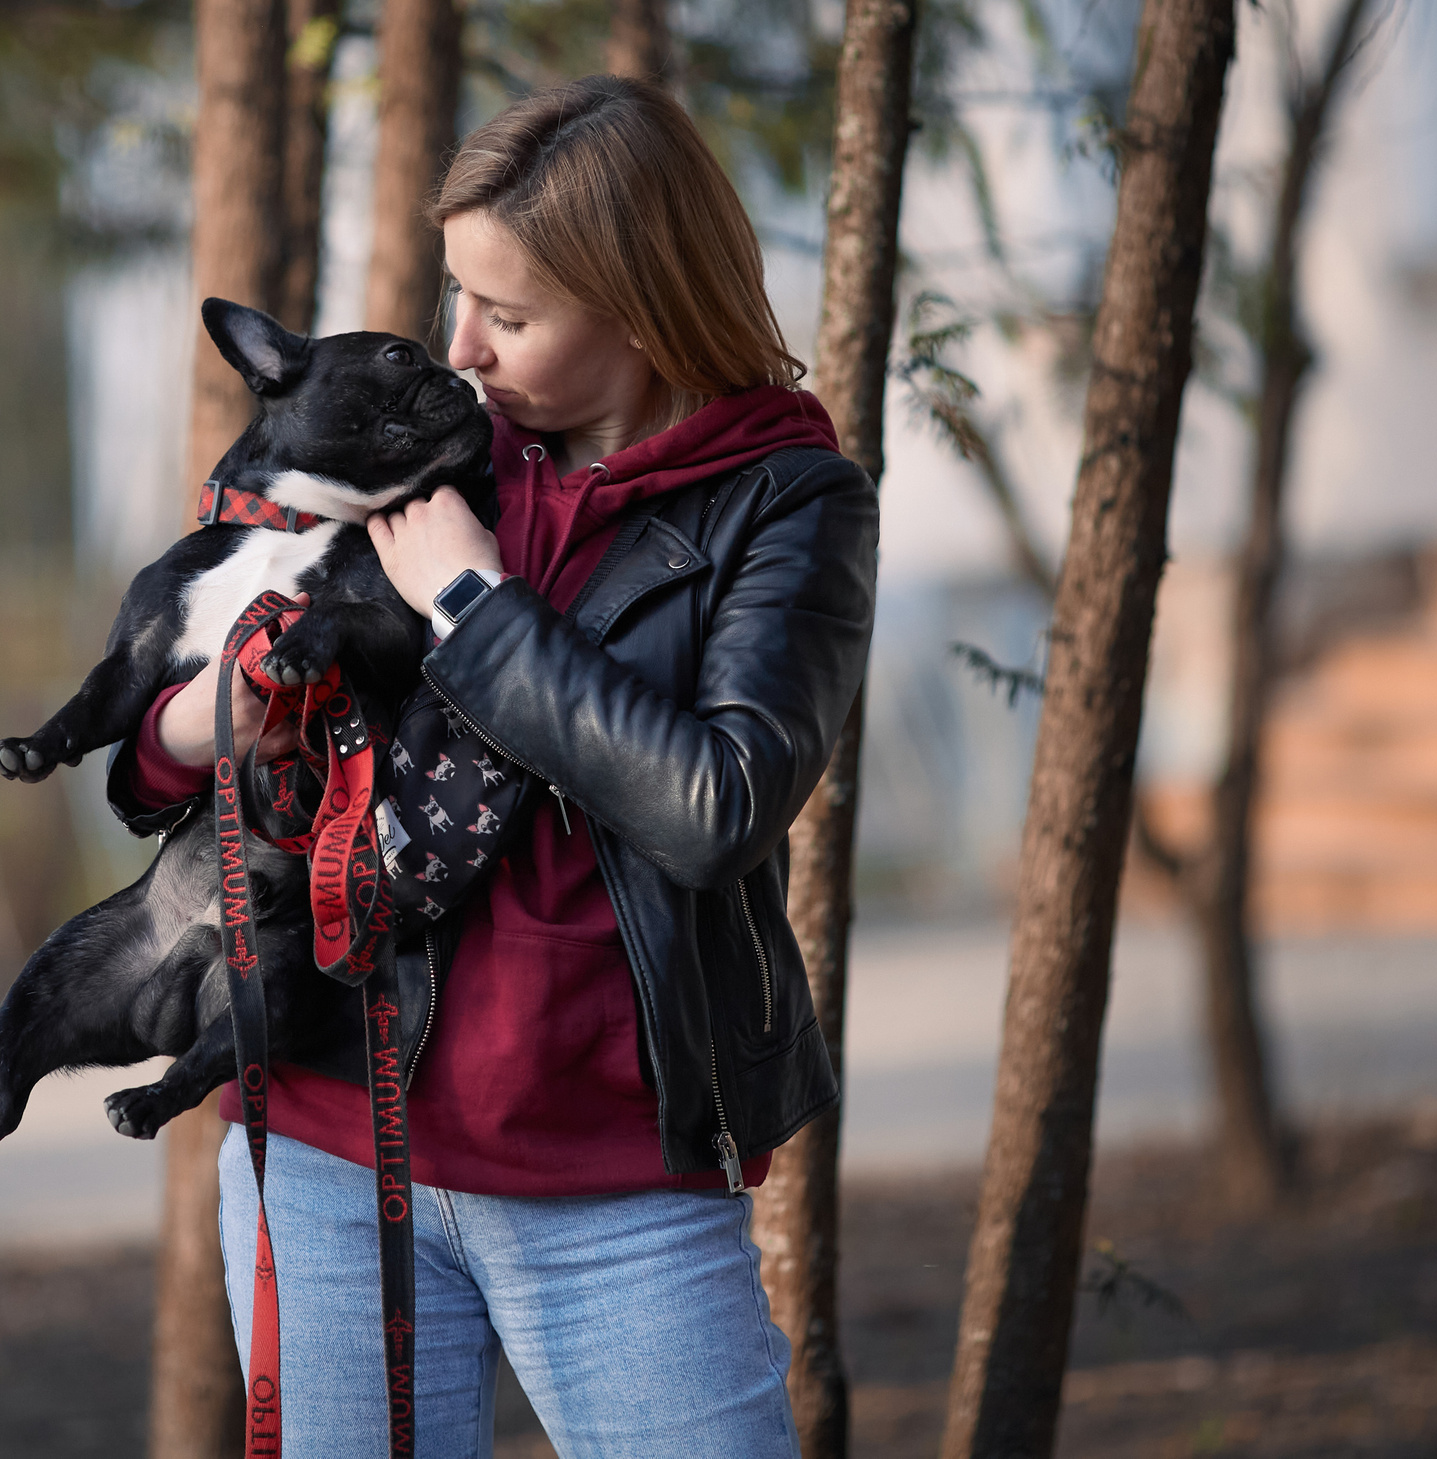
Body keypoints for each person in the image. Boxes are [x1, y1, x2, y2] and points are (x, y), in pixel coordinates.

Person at [111, 74, 877, 1458]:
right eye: (455, 295)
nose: (458, 346)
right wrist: (186, 732)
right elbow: (184, 748)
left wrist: (480, 613)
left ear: (641, 310)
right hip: (331, 1158)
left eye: (509, 317)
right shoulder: (428, 453)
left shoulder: (787, 503)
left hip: (618, 1189)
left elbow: (716, 806)